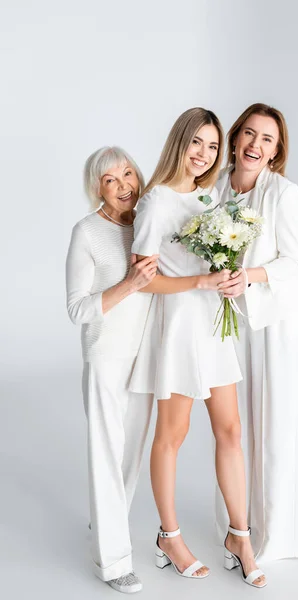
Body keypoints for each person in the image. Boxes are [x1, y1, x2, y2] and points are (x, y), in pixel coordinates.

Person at [129, 107, 267, 587]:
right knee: (173, 435)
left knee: (230, 431)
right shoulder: (156, 202)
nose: (205, 154)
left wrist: (227, 279)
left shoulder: (209, 200)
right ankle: (169, 535)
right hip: (180, 329)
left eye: (212, 146)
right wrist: (200, 280)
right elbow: (143, 281)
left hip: (214, 326)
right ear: (179, 143)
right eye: (197, 144)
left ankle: (239, 536)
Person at [215, 103, 298, 561]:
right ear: (234, 139)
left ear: (275, 152)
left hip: (273, 323)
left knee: (273, 423)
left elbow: (293, 262)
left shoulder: (283, 193)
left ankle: (273, 533)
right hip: (224, 323)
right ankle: (238, 521)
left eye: (267, 139)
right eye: (249, 134)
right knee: (230, 429)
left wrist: (248, 276)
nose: (256, 145)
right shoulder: (212, 191)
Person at [66, 146, 159, 593]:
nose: (123, 186)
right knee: (106, 452)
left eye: (127, 174)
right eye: (110, 180)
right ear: (97, 189)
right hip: (105, 357)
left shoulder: (149, 224)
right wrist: (129, 284)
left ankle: (108, 521)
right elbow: (77, 309)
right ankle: (113, 561)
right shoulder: (86, 232)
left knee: (129, 455)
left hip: (146, 357)